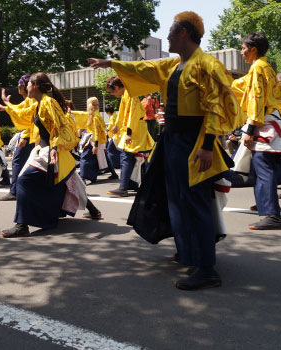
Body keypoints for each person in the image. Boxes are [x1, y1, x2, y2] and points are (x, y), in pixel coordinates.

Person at [89, 11, 243, 290]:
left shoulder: (207, 65)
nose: (168, 38)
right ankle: (189, 252)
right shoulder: (175, 65)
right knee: (177, 199)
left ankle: (207, 268)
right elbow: (145, 67)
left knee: (195, 201)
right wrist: (110, 63)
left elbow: (215, 108)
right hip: (172, 140)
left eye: (171, 34)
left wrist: (208, 147)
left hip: (194, 141)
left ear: (183, 33)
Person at [0, 72, 102, 238]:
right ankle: (90, 210)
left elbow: (59, 127)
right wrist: (7, 105)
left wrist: (54, 147)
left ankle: (22, 225)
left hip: (52, 151)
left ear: (36, 86)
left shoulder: (49, 103)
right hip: (44, 150)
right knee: (68, 181)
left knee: (25, 181)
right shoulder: (38, 103)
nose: (26, 88)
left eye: (28, 85)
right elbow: (24, 114)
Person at [231, 32, 281, 230]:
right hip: (271, 121)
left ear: (253, 49)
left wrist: (251, 129)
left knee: (263, 169)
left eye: (243, 48)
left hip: (263, 123)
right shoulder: (264, 66)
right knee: (259, 169)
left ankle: (272, 214)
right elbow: (242, 85)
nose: (241, 52)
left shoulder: (258, 67)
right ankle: (265, 204)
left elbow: (256, 99)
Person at [104, 76, 154, 197]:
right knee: (137, 156)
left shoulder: (130, 94)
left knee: (127, 156)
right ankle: (132, 184)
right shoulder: (127, 93)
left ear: (116, 87)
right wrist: (117, 125)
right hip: (135, 128)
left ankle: (124, 187)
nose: (113, 94)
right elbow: (123, 113)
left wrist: (129, 133)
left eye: (112, 91)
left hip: (135, 129)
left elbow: (133, 114)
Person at [0, 74, 37, 201]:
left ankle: (15, 191)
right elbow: (19, 110)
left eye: (20, 85)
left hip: (31, 136)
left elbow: (30, 119)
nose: (18, 88)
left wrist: (24, 137)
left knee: (18, 162)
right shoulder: (30, 100)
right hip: (32, 135)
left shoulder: (35, 100)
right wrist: (6, 106)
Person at [78, 97, 114, 183]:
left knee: (85, 158)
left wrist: (95, 144)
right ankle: (91, 176)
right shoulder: (95, 115)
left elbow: (96, 131)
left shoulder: (94, 116)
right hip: (95, 140)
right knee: (94, 158)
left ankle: (83, 177)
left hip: (93, 140)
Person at [105, 103, 121, 172]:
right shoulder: (116, 115)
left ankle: (114, 165)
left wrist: (107, 130)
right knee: (115, 150)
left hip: (115, 136)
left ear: (108, 112)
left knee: (109, 150)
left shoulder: (112, 117)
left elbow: (111, 124)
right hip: (117, 135)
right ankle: (116, 164)